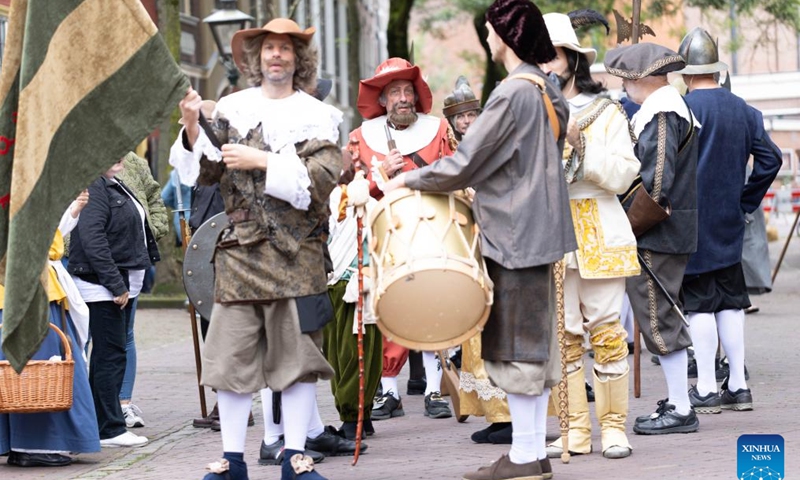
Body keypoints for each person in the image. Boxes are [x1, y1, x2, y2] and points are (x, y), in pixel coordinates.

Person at [384, 0, 574, 477]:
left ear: (507, 37)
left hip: (513, 234)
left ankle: (526, 458)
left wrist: (409, 180)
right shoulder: (547, 89)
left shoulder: (513, 94)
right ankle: (528, 453)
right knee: (532, 344)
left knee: (514, 347)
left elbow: (468, 159)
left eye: (491, 31)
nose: (487, 39)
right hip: (540, 231)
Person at [173, 18, 343, 480]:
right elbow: (202, 173)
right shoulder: (232, 108)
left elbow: (321, 181)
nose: (276, 56)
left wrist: (262, 160)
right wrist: (192, 127)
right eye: (268, 48)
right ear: (256, 58)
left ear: (297, 59)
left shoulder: (319, 115)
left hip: (299, 254)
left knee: (299, 361)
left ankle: (295, 458)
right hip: (240, 254)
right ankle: (231, 462)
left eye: (285, 49)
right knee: (229, 359)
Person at [540, 12, 640, 459]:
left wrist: (583, 147)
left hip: (600, 226)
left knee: (607, 330)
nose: (546, 65)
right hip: (552, 232)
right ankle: (575, 430)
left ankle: (614, 427)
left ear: (572, 60)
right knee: (563, 337)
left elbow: (624, 174)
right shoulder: (528, 113)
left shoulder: (607, 110)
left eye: (553, 55)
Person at [677, 28, 781, 415]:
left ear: (687, 73)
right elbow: (771, 160)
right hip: (730, 217)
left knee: (700, 304)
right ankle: (737, 384)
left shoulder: (681, 110)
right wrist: (746, 201)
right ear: (717, 69)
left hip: (690, 220)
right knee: (732, 301)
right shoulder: (745, 111)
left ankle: (705, 386)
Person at [348, 56, 457, 422]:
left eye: (407, 90)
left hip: (432, 228)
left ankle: (434, 390)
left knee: (434, 307)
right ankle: (389, 392)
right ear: (382, 100)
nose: (402, 98)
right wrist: (381, 177)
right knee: (388, 310)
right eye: (394, 92)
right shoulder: (361, 139)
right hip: (385, 234)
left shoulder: (439, 130)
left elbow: (457, 173)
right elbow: (351, 190)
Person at [603, 43, 700, 435]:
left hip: (656, 232)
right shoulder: (667, 106)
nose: (625, 86)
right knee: (662, 316)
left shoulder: (662, 111)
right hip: (664, 231)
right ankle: (679, 402)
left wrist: (628, 225)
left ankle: (680, 407)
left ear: (641, 79)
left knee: (659, 320)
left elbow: (657, 182)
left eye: (627, 79)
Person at [0, 192, 100, 467]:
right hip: (28, 288)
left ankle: (23, 444)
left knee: (30, 368)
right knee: (37, 369)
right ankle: (33, 445)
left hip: (27, 285)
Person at [442, 76, 513, 444]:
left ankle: (508, 416)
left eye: (472, 114)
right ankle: (493, 413)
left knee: (495, 330)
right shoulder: (449, 151)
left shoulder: (492, 144)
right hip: (467, 246)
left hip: (495, 243)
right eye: (461, 117)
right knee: (473, 333)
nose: (467, 121)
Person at [68, 158, 159, 448]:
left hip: (116, 284)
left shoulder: (113, 183)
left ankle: (104, 423)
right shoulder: (95, 185)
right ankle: (109, 428)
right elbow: (92, 239)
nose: (118, 156)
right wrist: (115, 285)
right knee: (109, 355)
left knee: (111, 353)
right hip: (102, 286)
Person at [116, 151, 169, 429]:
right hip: (85, 263)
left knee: (125, 335)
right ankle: (88, 404)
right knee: (85, 336)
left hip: (130, 262)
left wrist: (151, 229)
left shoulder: (132, 160)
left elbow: (155, 197)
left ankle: (124, 403)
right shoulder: (72, 152)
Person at [443, 76, 481, 142]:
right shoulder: (446, 145)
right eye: (460, 117)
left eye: (470, 115)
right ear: (452, 122)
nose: (467, 121)